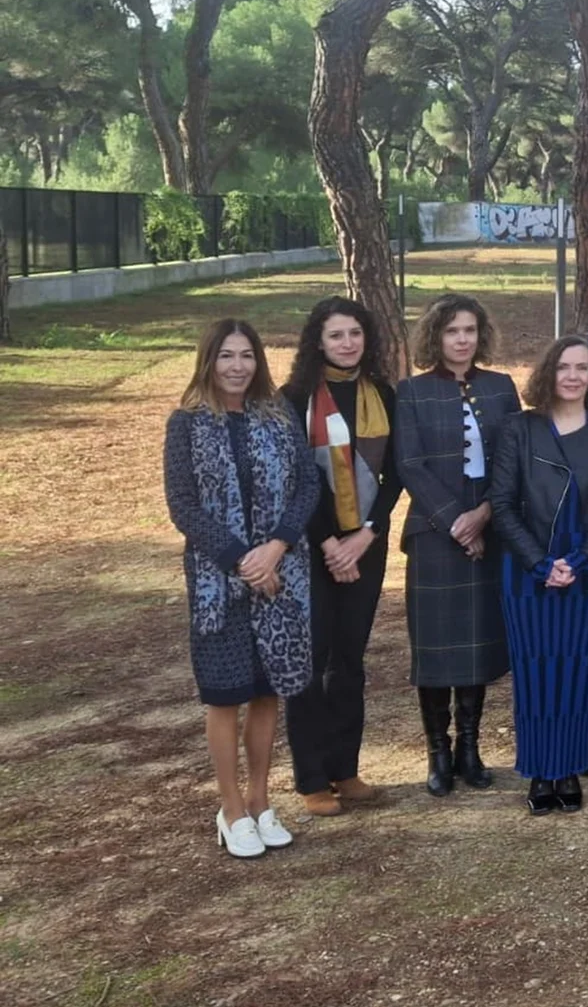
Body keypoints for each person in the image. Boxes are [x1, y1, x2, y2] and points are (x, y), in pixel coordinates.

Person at [163, 319, 316, 858]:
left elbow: (306, 486)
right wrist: (242, 562)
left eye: (246, 355)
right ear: (209, 361)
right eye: (226, 355)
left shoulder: (278, 416)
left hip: (282, 577)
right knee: (225, 696)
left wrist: (275, 547)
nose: (236, 366)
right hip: (217, 585)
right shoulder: (186, 424)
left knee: (267, 691)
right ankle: (230, 810)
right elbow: (184, 505)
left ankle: (259, 800)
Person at [490, 338, 588, 814]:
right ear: (548, 373)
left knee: (577, 669)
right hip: (529, 572)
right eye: (563, 367)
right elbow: (503, 504)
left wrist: (581, 560)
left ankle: (569, 767)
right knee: (535, 671)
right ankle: (539, 772)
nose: (572, 376)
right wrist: (540, 563)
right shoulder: (519, 429)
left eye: (582, 368)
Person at [280, 298, 403, 817]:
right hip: (312, 551)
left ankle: (345, 769)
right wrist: (331, 542)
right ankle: (311, 778)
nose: (348, 343)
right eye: (336, 335)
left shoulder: (384, 395)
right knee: (310, 662)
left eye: (355, 333)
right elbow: (295, 480)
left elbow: (397, 473)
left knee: (349, 662)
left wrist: (366, 535)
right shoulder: (293, 399)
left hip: (366, 546)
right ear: (318, 342)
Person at [395, 294, 521, 798]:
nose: (462, 339)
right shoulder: (412, 392)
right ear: (436, 337)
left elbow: (513, 458)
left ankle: (470, 747)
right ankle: (438, 752)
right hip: (434, 535)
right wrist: (456, 523)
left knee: (476, 646)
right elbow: (409, 464)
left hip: (490, 531)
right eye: (452, 331)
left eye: (469, 330)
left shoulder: (501, 388)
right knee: (436, 649)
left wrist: (484, 514)